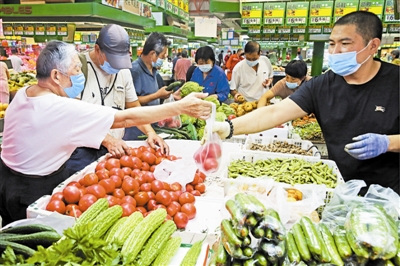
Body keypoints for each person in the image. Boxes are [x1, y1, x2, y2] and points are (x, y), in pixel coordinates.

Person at [0, 40, 212, 226]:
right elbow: (125, 118)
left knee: (10, 241)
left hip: (5, 181)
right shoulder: (58, 107)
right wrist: (179, 107)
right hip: (31, 189)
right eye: (75, 70)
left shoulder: (23, 93)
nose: (80, 75)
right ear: (56, 75)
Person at [212, 11, 400, 195]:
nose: (335, 51)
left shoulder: (396, 81)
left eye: (345, 43)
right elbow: (274, 113)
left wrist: (388, 143)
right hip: (343, 189)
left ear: (373, 45)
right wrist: (229, 127)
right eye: (332, 44)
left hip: (392, 192)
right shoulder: (322, 86)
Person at [66, 24, 168, 176]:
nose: (117, 67)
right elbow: (72, 118)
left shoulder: (124, 71)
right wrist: (107, 140)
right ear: (97, 49)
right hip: (82, 153)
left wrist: (150, 132)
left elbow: (134, 107)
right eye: (113, 61)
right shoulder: (77, 70)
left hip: (114, 152)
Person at [123, 32, 173, 141]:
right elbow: (130, 103)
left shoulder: (153, 70)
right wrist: (157, 95)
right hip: (136, 132)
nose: (164, 58)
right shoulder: (135, 71)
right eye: (162, 56)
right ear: (152, 54)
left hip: (150, 127)